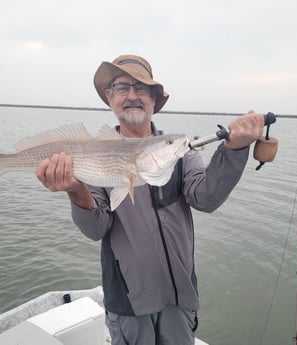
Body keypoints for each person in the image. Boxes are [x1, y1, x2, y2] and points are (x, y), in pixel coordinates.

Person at [36, 55, 264, 345]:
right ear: (110, 98)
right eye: (122, 87)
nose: (132, 95)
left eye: (141, 88)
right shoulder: (95, 155)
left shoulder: (179, 151)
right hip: (129, 305)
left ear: (154, 99)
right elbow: (96, 229)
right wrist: (75, 189)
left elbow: (205, 198)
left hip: (180, 299)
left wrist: (233, 150)